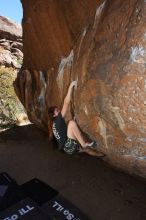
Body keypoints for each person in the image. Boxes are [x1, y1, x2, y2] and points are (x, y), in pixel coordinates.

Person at [48, 81, 104, 156]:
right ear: (54, 115)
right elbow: (66, 103)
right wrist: (70, 86)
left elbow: (63, 132)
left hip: (67, 149)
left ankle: (101, 155)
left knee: (86, 150)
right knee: (71, 123)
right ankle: (84, 144)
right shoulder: (58, 120)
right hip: (68, 146)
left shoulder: (54, 124)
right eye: (57, 111)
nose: (60, 111)